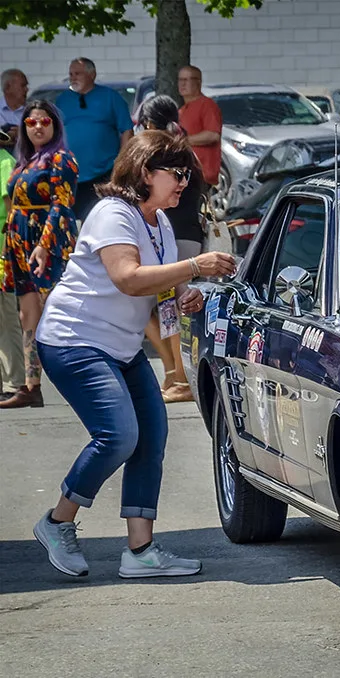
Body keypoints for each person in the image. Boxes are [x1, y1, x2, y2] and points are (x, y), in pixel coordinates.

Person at [32, 130, 236, 578]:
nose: (183, 182)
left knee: (151, 436)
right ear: (146, 171)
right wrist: (195, 266)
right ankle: (56, 522)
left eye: (187, 174)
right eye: (176, 173)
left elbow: (160, 282)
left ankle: (140, 552)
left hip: (121, 348)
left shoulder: (159, 221)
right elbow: (127, 277)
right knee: (120, 435)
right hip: (74, 341)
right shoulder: (111, 213)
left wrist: (185, 294)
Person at [0, 100, 78, 409]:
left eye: (44, 122)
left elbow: (61, 204)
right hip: (20, 241)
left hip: (48, 239)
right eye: (31, 123)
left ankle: (78, 378)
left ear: (54, 125)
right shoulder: (25, 161)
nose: (37, 127)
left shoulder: (62, 158)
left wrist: (44, 244)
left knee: (56, 310)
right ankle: (31, 386)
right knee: (27, 314)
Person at [137, 95, 208, 403]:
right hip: (184, 235)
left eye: (143, 124)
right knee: (153, 308)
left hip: (172, 238)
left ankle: (180, 378)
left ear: (151, 124)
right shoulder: (183, 151)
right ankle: (173, 374)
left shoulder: (164, 154)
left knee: (169, 308)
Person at [56, 57, 134, 222]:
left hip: (103, 173)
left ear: (92, 75)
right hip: (71, 173)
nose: (73, 77)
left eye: (78, 73)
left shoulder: (110, 97)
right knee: (68, 222)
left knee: (98, 220)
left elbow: (127, 130)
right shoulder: (62, 100)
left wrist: (121, 164)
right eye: (70, 74)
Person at [0, 139, 25, 400]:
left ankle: (14, 382)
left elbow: (12, 212)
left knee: (6, 319)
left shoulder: (5, 162)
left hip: (2, 252)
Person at [177, 65, 222, 188]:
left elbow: (213, 135)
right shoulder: (182, 110)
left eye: (187, 80)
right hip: (187, 174)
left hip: (202, 174)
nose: (183, 84)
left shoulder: (207, 105)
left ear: (198, 82)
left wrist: (182, 141)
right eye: (180, 80)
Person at [1, 69, 29, 151]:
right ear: (7, 88)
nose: (27, 89)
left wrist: (23, 134)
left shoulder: (32, 112)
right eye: (23, 85)